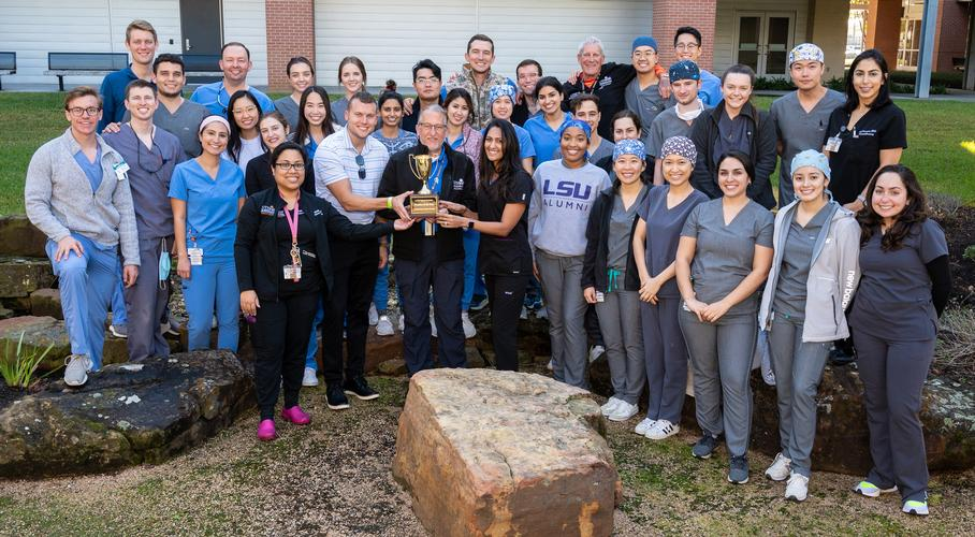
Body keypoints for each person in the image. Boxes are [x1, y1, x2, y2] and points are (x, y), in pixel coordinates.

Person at [236, 141, 412, 441]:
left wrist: (392, 228)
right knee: (270, 352)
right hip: (269, 292)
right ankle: (266, 413)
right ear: (273, 169)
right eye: (285, 165)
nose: (292, 171)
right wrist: (246, 289)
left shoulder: (317, 206)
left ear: (306, 170)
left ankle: (290, 404)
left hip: (305, 291)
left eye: (298, 165)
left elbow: (350, 231)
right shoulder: (258, 204)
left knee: (296, 349)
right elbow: (241, 246)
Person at [757, 150, 861, 502]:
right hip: (782, 314)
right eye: (799, 177)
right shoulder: (784, 215)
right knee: (784, 386)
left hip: (817, 322)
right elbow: (776, 268)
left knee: (803, 388)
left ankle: (801, 468)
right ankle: (786, 452)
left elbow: (850, 276)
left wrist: (835, 310)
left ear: (825, 180)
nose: (805, 184)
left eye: (813, 177)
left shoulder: (842, 222)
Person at [850, 165, 950, 517]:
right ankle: (883, 475)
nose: (885, 198)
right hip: (867, 327)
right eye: (880, 190)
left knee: (902, 407)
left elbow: (943, 285)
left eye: (894, 191)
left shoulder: (925, 231)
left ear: (909, 196)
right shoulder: (866, 228)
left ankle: (914, 487)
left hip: (911, 331)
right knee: (876, 403)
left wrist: (923, 318)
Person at [25, 87, 140, 387]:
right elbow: (34, 203)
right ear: (67, 113)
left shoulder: (114, 157)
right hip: (71, 240)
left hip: (105, 244)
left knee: (94, 314)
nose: (85, 116)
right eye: (78, 110)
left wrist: (131, 258)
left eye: (91, 110)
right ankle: (78, 355)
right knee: (72, 268)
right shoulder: (49, 153)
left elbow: (125, 209)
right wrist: (61, 236)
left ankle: (92, 368)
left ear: (101, 114)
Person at [675, 150, 773, 484]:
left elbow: (760, 271)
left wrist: (724, 304)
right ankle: (709, 431)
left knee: (734, 379)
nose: (729, 178)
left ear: (748, 177)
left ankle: (738, 452)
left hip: (737, 313)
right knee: (703, 373)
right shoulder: (701, 211)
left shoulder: (761, 218)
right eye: (723, 172)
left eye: (737, 172)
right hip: (697, 309)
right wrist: (690, 299)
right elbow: (683, 258)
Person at [315, 92, 412, 408]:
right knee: (334, 311)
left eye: (371, 116)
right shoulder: (328, 149)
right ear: (347, 114)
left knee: (359, 312)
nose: (365, 121)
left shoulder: (380, 151)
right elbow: (347, 201)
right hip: (335, 239)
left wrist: (382, 241)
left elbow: (379, 203)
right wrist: (390, 204)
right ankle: (332, 381)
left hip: (368, 240)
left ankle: (354, 376)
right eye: (359, 115)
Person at [376, 105, 477, 376]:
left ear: (446, 130)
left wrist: (453, 209)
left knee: (449, 316)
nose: (432, 132)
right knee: (415, 316)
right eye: (427, 126)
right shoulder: (400, 161)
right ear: (418, 129)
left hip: (448, 251)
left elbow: (471, 206)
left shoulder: (462, 163)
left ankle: (454, 375)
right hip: (412, 249)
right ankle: (419, 375)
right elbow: (383, 205)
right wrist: (407, 210)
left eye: (438, 127)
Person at [436, 120, 533, 371]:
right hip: (492, 261)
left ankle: (508, 381)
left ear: (509, 144)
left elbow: (504, 227)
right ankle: (503, 379)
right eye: (489, 140)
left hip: (513, 263)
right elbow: (484, 217)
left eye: (499, 140)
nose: (492, 145)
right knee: (497, 325)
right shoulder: (489, 176)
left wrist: (463, 223)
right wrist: (462, 210)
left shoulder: (520, 179)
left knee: (504, 330)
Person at [102, 80, 185, 362]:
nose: (142, 102)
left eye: (147, 97)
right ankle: (140, 362)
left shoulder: (170, 142)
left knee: (161, 298)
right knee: (142, 303)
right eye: (135, 98)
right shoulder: (111, 140)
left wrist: (180, 232)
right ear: (126, 105)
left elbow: (181, 187)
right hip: (136, 234)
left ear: (156, 102)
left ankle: (158, 355)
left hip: (166, 234)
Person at [631, 136, 708, 441]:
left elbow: (685, 254)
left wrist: (657, 280)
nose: (675, 168)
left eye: (682, 162)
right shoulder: (654, 195)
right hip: (647, 286)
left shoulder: (699, 202)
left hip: (675, 287)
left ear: (692, 165)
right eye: (669, 162)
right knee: (653, 352)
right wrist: (644, 277)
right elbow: (638, 238)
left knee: (673, 354)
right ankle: (654, 411)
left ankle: (670, 416)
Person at [529, 119, 611, 389]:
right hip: (547, 256)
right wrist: (532, 253)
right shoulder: (544, 171)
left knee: (572, 320)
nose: (572, 144)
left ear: (588, 143)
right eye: (567, 137)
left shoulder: (599, 177)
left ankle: (577, 385)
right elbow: (534, 214)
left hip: (579, 260)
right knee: (555, 320)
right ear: (560, 141)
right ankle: (559, 379)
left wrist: (596, 265)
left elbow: (603, 226)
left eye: (579, 138)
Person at [582, 140, 650, 422]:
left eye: (634, 161)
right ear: (614, 166)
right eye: (622, 161)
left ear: (643, 165)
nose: (628, 167)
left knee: (632, 341)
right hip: (605, 280)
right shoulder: (606, 199)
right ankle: (619, 392)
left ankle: (632, 397)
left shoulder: (652, 198)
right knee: (612, 340)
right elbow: (593, 242)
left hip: (633, 281)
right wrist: (588, 281)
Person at [170, 115, 246, 352]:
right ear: (200, 137)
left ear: (228, 140)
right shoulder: (183, 172)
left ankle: (227, 376)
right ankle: (197, 375)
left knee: (229, 321)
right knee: (200, 323)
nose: (216, 139)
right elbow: (179, 217)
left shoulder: (235, 173)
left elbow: (240, 215)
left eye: (222, 135)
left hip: (230, 255)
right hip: (197, 255)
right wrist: (182, 255)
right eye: (211, 133)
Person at [824, 49, 906, 210]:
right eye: (859, 74)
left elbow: (887, 167)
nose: (865, 81)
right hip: (831, 202)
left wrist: (861, 201)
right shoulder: (839, 113)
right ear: (852, 78)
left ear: (884, 78)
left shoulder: (892, 116)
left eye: (873, 74)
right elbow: (826, 155)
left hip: (866, 206)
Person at [690, 64, 776, 209]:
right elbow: (698, 160)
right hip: (711, 199)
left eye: (743, 88)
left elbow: (768, 161)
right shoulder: (706, 118)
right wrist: (716, 197)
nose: (736, 93)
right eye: (731, 87)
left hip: (753, 200)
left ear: (750, 90)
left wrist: (745, 197)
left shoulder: (761, 119)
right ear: (722, 88)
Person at [769, 44, 845, 207]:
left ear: (822, 68)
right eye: (798, 67)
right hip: (792, 186)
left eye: (812, 66)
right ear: (791, 71)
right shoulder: (780, 107)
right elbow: (778, 144)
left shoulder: (841, 104)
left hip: (830, 185)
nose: (805, 73)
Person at [370, 90, 419, 336]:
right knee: (380, 261)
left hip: (408, 210)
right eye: (386, 109)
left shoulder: (413, 139)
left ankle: (403, 310)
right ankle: (381, 313)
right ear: (379, 112)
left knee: (404, 262)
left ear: (403, 112)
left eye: (396, 109)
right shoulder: (370, 138)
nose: (391, 114)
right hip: (380, 209)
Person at [443, 88, 484, 339]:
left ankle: (463, 310)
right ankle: (439, 307)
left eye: (464, 108)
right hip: (437, 212)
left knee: (468, 263)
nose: (459, 112)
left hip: (469, 210)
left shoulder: (477, 139)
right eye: (455, 106)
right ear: (446, 106)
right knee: (440, 262)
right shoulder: (433, 132)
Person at [562, 37, 636, 140]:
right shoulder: (571, 86)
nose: (591, 59)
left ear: (602, 59)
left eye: (595, 55)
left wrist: (661, 75)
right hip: (582, 148)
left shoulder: (615, 73)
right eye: (586, 55)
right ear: (579, 58)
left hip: (613, 147)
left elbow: (642, 66)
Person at [647, 60, 708, 185]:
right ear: (671, 87)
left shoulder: (713, 117)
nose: (682, 90)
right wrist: (657, 198)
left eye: (688, 83)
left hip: (709, 194)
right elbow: (659, 165)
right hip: (674, 193)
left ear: (699, 84)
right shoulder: (661, 121)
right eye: (677, 85)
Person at [98, 20, 158, 132]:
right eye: (137, 42)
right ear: (128, 44)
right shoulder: (113, 81)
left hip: (161, 147)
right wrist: (108, 128)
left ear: (156, 44)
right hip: (123, 147)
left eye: (148, 42)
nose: (143, 47)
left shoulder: (166, 82)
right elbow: (102, 123)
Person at [190, 42, 275, 116]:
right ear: (221, 64)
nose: (235, 65)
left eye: (241, 60)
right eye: (229, 60)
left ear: (249, 65)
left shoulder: (263, 102)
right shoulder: (201, 95)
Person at [446, 34, 510, 129]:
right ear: (467, 56)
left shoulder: (503, 84)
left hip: (493, 142)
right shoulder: (454, 85)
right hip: (463, 142)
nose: (481, 57)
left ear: (493, 58)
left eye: (486, 53)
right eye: (475, 52)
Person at [245, 112, 314, 195]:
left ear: (286, 129)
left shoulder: (306, 163)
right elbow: (254, 202)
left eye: (275, 128)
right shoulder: (254, 165)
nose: (270, 134)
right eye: (264, 131)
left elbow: (310, 199)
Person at [625, 36, 671, 146]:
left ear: (656, 58)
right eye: (637, 54)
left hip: (658, 152)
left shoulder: (666, 89)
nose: (642, 58)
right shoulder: (628, 86)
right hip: (631, 152)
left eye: (648, 53)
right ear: (632, 58)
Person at [487, 84, 535, 173]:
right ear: (491, 105)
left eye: (507, 102)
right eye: (497, 101)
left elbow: (528, 172)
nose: (502, 106)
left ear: (513, 105)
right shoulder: (483, 134)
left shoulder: (523, 134)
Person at [524, 76, 573, 166]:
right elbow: (526, 162)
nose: (547, 101)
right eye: (542, 97)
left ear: (561, 96)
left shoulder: (574, 121)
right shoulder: (530, 125)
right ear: (538, 100)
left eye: (552, 95)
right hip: (540, 179)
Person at [672, 27, 722, 106]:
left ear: (699, 51)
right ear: (675, 50)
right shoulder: (667, 80)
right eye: (681, 46)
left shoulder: (713, 83)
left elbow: (717, 115)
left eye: (691, 46)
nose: (685, 50)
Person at [224, 90, 265, 173]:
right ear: (232, 116)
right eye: (239, 111)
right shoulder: (227, 145)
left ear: (258, 110)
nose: (246, 115)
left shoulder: (270, 138)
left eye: (250, 109)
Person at [293, 86, 338, 159]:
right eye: (310, 105)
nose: (315, 111)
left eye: (321, 105)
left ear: (327, 108)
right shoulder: (293, 140)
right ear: (303, 108)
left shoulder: (340, 135)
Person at [273, 56, 315, 129]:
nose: (301, 79)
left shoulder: (324, 105)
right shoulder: (278, 107)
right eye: (295, 75)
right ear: (289, 78)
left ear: (312, 76)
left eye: (306, 74)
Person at [402, 59, 443, 133]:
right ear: (414, 85)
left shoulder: (451, 114)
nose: (428, 85)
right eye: (421, 80)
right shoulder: (405, 114)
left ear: (440, 83)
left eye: (433, 80)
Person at [571, 95, 615, 165]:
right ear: (573, 118)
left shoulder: (613, 151)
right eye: (581, 114)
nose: (587, 119)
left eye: (592, 114)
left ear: (599, 116)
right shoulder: (563, 152)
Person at [331, 56, 367, 127]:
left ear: (363, 76)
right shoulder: (333, 109)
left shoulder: (376, 107)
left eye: (356, 74)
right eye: (346, 75)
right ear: (341, 79)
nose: (351, 79)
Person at [511, 59, 542, 126]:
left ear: (541, 78)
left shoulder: (553, 105)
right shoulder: (513, 112)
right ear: (518, 82)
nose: (528, 80)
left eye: (532, 75)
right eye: (522, 76)